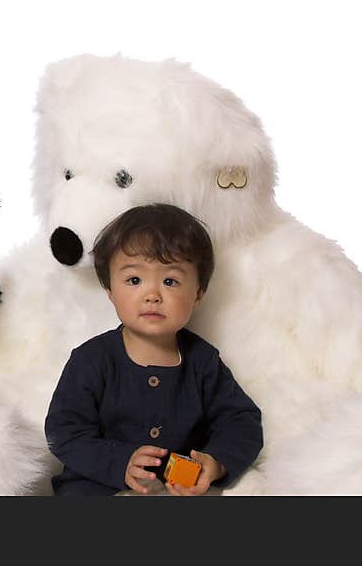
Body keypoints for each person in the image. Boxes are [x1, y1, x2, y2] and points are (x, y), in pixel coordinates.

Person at [45, 204, 263, 496]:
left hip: (175, 489)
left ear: (198, 293)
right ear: (110, 290)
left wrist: (216, 462)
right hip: (97, 484)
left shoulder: (202, 361)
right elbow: (64, 432)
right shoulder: (91, 360)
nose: (152, 295)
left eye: (170, 281)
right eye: (134, 280)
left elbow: (241, 420)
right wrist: (119, 462)